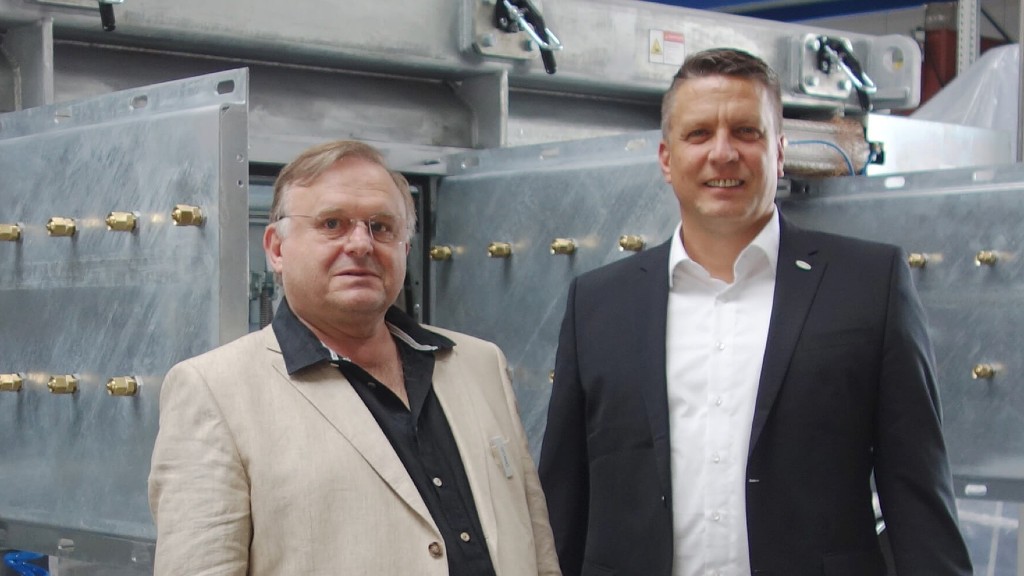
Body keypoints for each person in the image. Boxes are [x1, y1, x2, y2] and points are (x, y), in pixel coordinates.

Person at [538, 48, 973, 576]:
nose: (722, 154)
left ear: (780, 152)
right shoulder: (598, 305)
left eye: (746, 132)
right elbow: (562, 507)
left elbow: (917, 494)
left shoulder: (869, 286)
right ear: (666, 158)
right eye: (698, 134)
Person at [149, 140, 561, 576]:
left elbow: (536, 549)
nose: (361, 244)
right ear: (275, 249)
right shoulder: (215, 391)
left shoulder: (479, 365)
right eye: (332, 223)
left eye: (382, 226)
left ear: (404, 247)